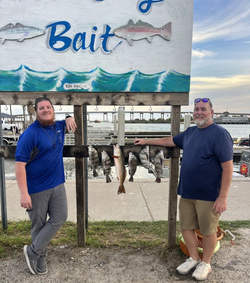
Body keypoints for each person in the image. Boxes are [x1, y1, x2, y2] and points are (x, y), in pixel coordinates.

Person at [134, 98, 233, 281]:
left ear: (212, 112)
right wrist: (146, 140)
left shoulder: (220, 134)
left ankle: (206, 263)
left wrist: (223, 197)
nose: (199, 112)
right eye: (196, 109)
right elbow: (170, 140)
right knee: (186, 227)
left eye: (203, 109)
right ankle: (194, 258)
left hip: (209, 194)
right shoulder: (190, 132)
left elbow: (228, 167)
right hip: (187, 191)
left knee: (208, 230)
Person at [15, 96, 77, 275]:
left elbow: (70, 121)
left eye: (48, 107)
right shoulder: (30, 134)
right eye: (41, 108)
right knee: (38, 225)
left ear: (53, 110)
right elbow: (19, 165)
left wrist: (68, 117)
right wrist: (23, 193)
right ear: (36, 112)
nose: (45, 110)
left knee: (60, 217)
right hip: (35, 189)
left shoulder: (59, 127)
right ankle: (40, 261)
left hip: (58, 185)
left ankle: (32, 252)